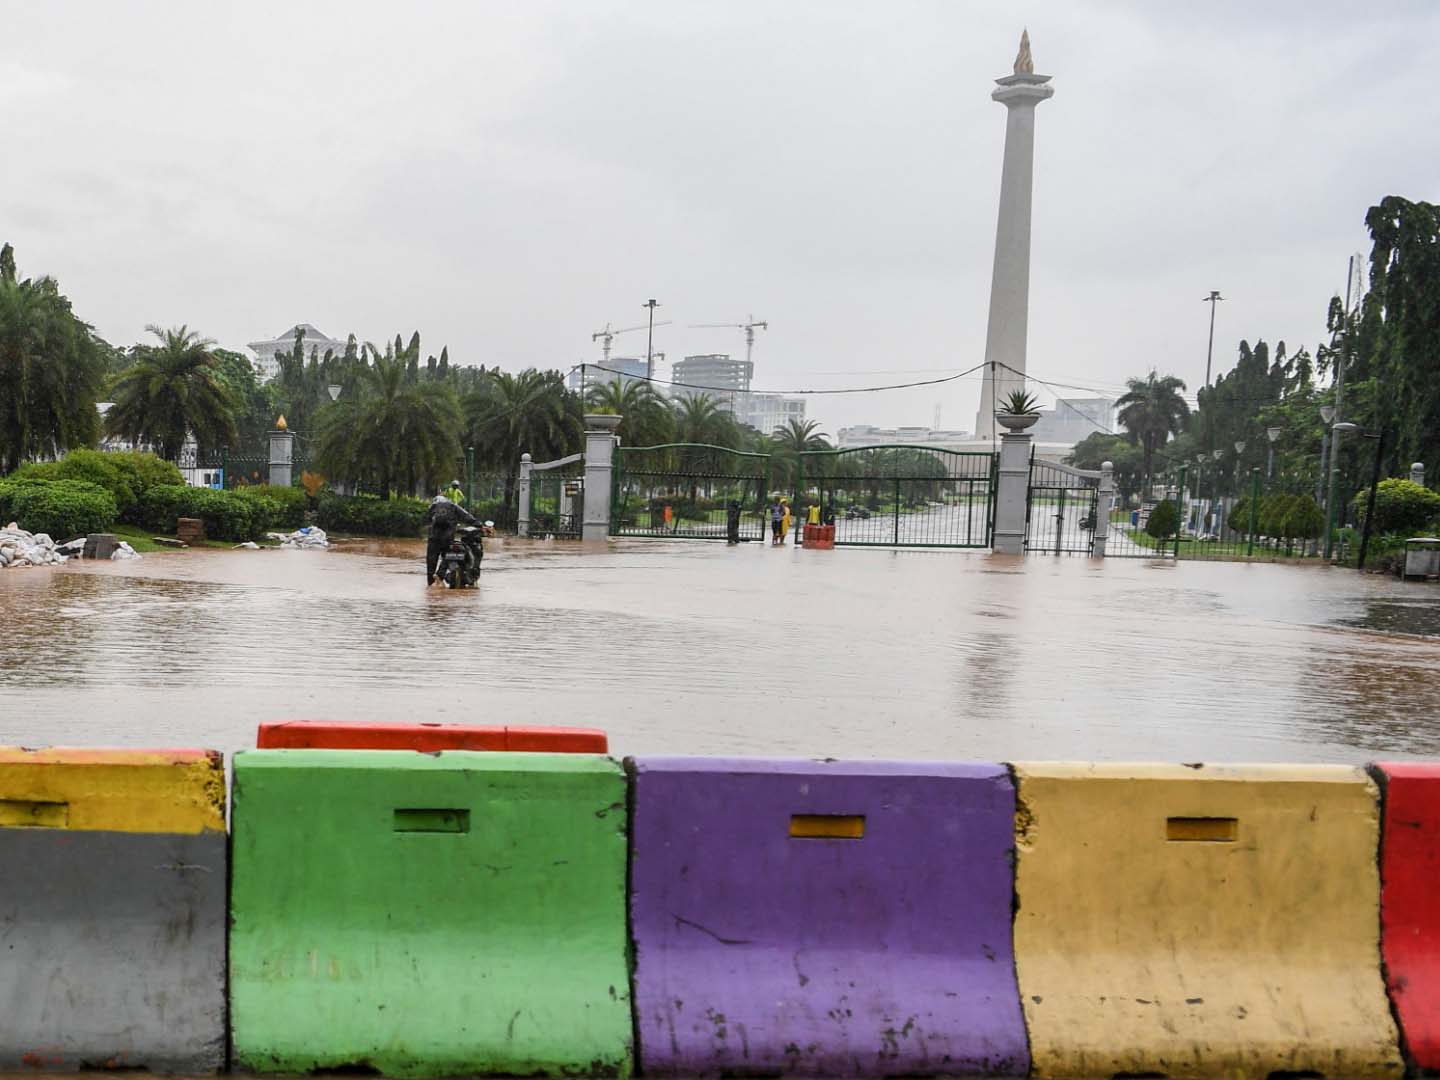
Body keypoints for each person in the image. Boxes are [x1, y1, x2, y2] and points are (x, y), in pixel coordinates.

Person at [423, 492, 480, 585]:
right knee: (448, 556)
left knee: (431, 562)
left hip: (433, 538)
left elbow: (426, 520)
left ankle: (430, 584)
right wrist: (479, 524)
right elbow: (466, 516)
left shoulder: (432, 506)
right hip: (447, 537)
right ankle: (440, 575)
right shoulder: (453, 505)